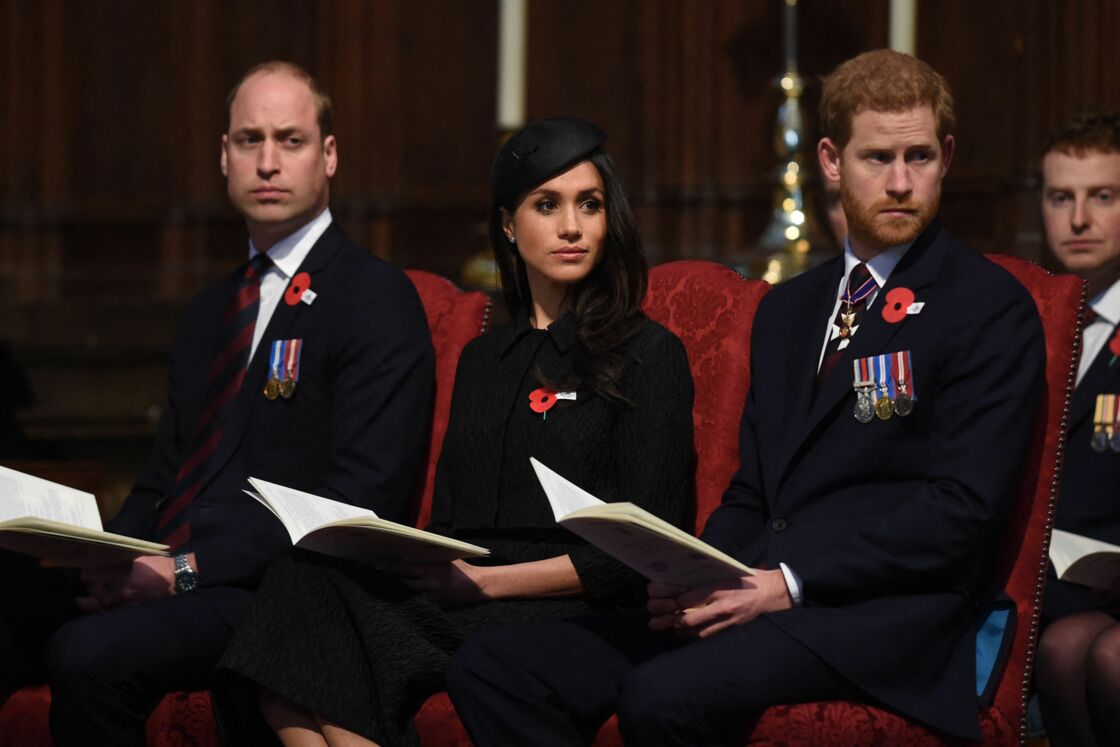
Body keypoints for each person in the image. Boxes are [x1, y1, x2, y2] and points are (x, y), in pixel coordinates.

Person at [448, 49, 1046, 745]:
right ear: (830, 160)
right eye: (877, 158)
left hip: (884, 620)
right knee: (496, 666)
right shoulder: (790, 309)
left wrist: (787, 581)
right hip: (758, 592)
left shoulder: (987, 306)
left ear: (947, 156)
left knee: (660, 693)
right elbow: (755, 493)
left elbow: (958, 515)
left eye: (919, 157)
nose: (901, 182)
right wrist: (692, 571)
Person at [211, 117, 694, 746]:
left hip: (573, 600)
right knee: (299, 585)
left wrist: (487, 582)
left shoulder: (649, 353)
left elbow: (648, 545)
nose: (572, 227)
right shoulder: (482, 361)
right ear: (507, 225)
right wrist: (408, 553)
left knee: (319, 642)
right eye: (546, 205)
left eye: (590, 205)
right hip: (467, 586)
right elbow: (453, 523)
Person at [0, 60, 435, 746]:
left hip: (276, 591)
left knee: (90, 655)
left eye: (290, 141)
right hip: (177, 569)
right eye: (248, 140)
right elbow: (164, 477)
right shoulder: (212, 309)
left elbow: (358, 501)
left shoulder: (373, 297)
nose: (267, 161)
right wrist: (103, 555)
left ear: (329, 156)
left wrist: (182, 572)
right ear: (223, 156)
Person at [1034, 111, 1120, 747]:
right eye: (1061, 197)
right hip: (1052, 587)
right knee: (1065, 649)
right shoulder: (1026, 317)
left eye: (1103, 197)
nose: (1079, 219)